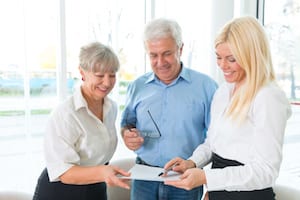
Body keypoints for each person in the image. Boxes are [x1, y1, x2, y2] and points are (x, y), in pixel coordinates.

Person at [163, 16, 292, 200]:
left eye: (231, 59)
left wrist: (207, 177)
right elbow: (213, 143)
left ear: (251, 56)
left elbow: (266, 171)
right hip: (220, 192)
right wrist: (192, 162)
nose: (222, 66)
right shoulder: (224, 90)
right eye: (218, 57)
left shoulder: (268, 97)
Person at [120, 18, 218, 200]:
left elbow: (218, 139)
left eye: (166, 53)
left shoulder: (207, 87)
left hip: (185, 178)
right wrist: (127, 135)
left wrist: (213, 185)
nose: (160, 62)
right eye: (153, 55)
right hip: (143, 179)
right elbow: (127, 123)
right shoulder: (137, 86)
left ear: (180, 49)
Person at [33, 41, 130, 200]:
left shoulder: (111, 107)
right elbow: (63, 172)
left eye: (112, 75)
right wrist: (102, 172)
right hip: (61, 191)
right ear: (82, 72)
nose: (107, 82)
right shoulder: (65, 114)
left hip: (96, 185)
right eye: (99, 75)